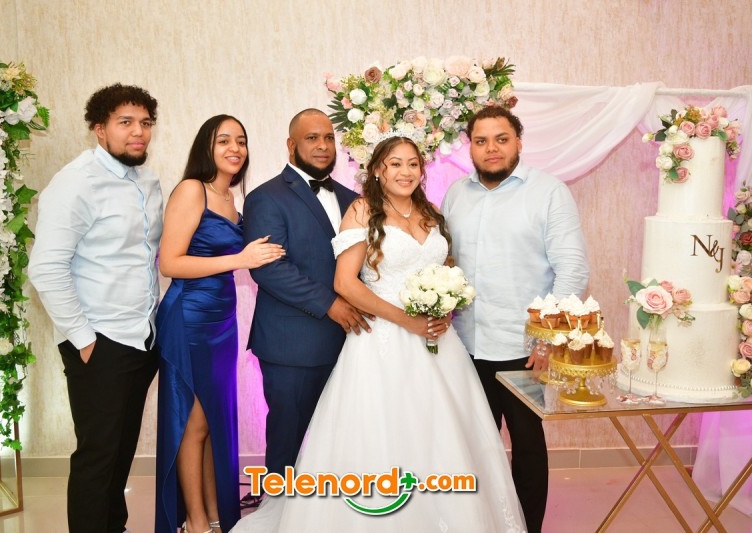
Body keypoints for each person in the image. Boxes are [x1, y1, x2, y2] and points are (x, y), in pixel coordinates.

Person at [231, 135, 526, 532]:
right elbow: (345, 283)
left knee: (443, 433)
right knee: (385, 433)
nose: (406, 172)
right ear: (376, 171)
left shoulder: (431, 212)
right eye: (395, 164)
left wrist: (445, 304)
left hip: (439, 344)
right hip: (383, 340)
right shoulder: (362, 211)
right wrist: (406, 321)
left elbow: (445, 268)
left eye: (413, 164)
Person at [442, 105, 590, 533]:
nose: (491, 148)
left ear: (519, 142)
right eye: (481, 141)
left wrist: (548, 338)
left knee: (526, 446)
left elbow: (573, 271)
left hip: (524, 349)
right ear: (470, 147)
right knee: (473, 447)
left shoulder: (548, 192)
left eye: (501, 139)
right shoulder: (455, 194)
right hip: (464, 345)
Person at [28, 84, 163, 533]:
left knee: (121, 452)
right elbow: (46, 268)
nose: (138, 132)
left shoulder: (148, 181)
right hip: (100, 341)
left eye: (145, 123)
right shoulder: (76, 183)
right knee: (97, 457)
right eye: (126, 122)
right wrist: (84, 339)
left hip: (141, 337)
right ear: (99, 129)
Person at [154, 115, 285, 533]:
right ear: (206, 148)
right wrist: (240, 259)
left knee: (213, 421)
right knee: (193, 423)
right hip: (189, 317)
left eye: (241, 141)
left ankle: (215, 514)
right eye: (223, 140)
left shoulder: (231, 198)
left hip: (223, 321)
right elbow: (170, 262)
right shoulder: (192, 190)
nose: (235, 148)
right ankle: (194, 521)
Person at [242, 108, 370, 501]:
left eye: (329, 137)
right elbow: (270, 268)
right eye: (312, 138)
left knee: (343, 437)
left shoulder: (352, 200)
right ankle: (277, 510)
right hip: (291, 344)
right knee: (288, 437)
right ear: (291, 145)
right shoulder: (266, 197)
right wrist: (331, 304)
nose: (322, 145)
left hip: (349, 343)